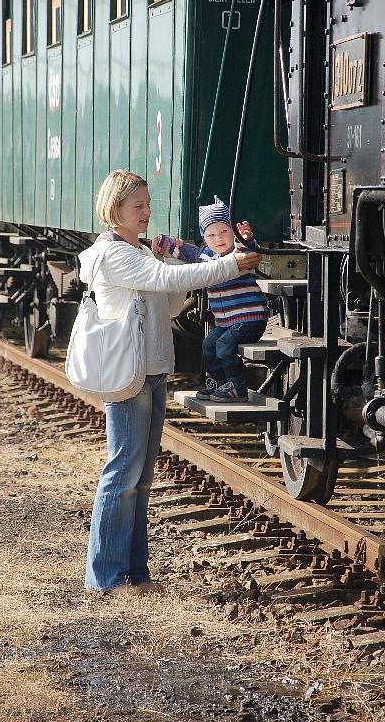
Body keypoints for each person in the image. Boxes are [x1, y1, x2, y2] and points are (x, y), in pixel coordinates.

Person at [78, 171, 261, 594]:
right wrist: (228, 263)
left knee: (140, 478)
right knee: (122, 473)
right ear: (115, 209)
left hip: (152, 371)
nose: (146, 212)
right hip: (130, 375)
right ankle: (105, 576)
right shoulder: (114, 255)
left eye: (146, 203)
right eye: (137, 206)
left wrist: (177, 261)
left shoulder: (139, 251)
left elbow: (172, 300)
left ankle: (135, 574)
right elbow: (165, 283)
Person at [153, 197, 267, 402]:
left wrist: (246, 239)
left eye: (224, 231)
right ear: (205, 238)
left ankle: (237, 387)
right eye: (211, 234)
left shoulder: (238, 253)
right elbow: (188, 252)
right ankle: (219, 384)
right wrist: (168, 244)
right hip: (227, 323)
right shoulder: (206, 256)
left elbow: (250, 251)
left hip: (249, 319)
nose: (218, 238)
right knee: (208, 345)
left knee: (224, 346)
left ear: (233, 232)